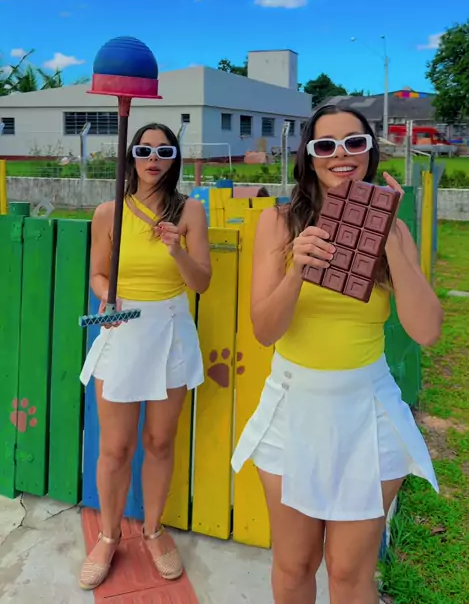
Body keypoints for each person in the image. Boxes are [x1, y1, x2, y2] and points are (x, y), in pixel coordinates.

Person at [232, 105, 442, 604]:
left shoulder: (397, 230)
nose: (341, 155)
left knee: (349, 574)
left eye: (354, 142)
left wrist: (390, 243)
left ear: (370, 150)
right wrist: (296, 272)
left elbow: (427, 330)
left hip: (367, 411)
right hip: (293, 408)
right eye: (325, 145)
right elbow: (264, 330)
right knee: (294, 565)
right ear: (309, 157)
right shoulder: (279, 224)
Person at [79, 122, 211, 591]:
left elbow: (201, 282)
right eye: (144, 150)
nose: (153, 158)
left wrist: (177, 249)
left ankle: (153, 531)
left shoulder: (189, 210)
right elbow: (98, 274)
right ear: (131, 155)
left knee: (158, 441)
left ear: (175, 158)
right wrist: (106, 296)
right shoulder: (108, 212)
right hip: (124, 329)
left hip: (171, 330)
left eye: (163, 151)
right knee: (115, 447)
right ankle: (109, 536)